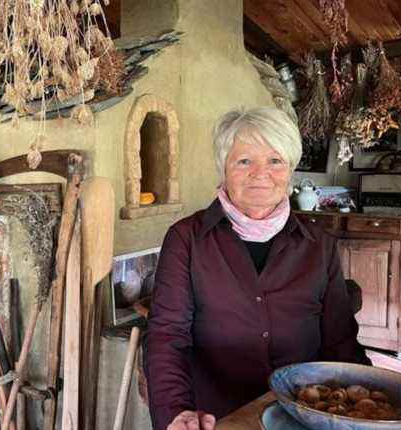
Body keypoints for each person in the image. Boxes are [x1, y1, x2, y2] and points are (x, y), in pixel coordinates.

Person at [145, 107, 370, 430]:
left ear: (290, 169)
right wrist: (176, 411)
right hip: (217, 418)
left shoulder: (319, 246)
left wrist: (369, 407)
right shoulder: (187, 239)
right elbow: (168, 335)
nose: (260, 173)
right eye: (244, 161)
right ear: (224, 168)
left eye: (275, 160)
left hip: (303, 416)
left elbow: (340, 341)